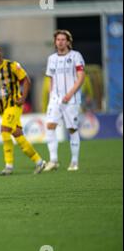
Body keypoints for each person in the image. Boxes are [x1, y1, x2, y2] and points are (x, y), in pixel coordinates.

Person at [0, 44, 46, 175]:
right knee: (18, 135)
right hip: (3, 108)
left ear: (1, 53)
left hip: (14, 104)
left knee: (4, 129)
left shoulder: (12, 66)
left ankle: (9, 166)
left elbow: (26, 81)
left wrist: (23, 98)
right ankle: (39, 162)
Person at [44, 30, 85, 172]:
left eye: (63, 39)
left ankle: (74, 162)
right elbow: (50, 78)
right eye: (58, 39)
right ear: (55, 42)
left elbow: (81, 77)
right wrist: (51, 96)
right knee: (50, 126)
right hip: (55, 100)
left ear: (68, 42)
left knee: (72, 129)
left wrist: (70, 93)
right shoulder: (51, 58)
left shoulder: (76, 56)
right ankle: (53, 160)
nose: (60, 42)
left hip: (71, 99)